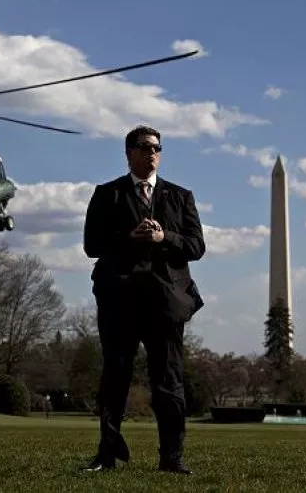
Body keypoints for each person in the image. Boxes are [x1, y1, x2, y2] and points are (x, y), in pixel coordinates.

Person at [81, 124, 206, 475]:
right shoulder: (107, 194)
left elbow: (196, 247)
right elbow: (92, 244)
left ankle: (172, 459)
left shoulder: (181, 196)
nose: (151, 152)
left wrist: (164, 237)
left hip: (165, 302)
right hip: (119, 299)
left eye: (157, 147)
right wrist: (130, 238)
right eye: (143, 146)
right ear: (128, 153)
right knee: (114, 378)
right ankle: (106, 455)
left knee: (169, 382)